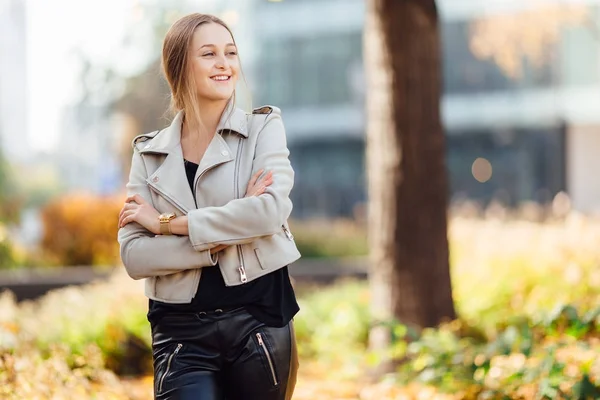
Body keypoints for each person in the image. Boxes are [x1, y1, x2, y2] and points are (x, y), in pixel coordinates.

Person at [117, 13, 301, 400]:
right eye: (209, 54)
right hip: (180, 336)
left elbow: (269, 212)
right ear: (180, 66)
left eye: (230, 52)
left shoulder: (263, 129)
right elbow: (135, 256)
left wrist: (169, 224)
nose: (224, 63)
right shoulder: (149, 154)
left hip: (259, 322)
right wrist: (220, 237)